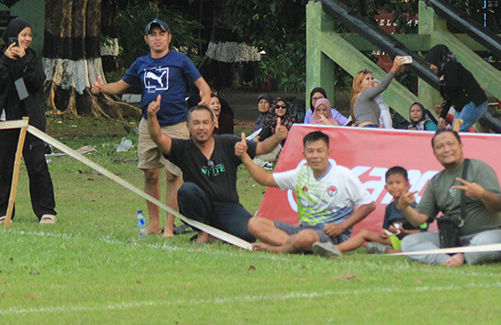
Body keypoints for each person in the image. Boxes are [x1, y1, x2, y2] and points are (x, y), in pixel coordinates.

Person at [92, 18, 211, 237]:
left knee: (173, 176)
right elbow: (121, 85)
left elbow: (201, 83)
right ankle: (154, 224)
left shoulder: (180, 60)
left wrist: (206, 94)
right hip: (148, 124)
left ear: (169, 37)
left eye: (161, 34)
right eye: (153, 34)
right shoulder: (141, 63)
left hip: (176, 124)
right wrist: (102, 88)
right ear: (146, 39)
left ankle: (169, 226)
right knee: (150, 175)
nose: (157, 38)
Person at [146, 99, 284, 243]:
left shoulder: (228, 143)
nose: (201, 127)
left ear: (214, 124)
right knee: (186, 190)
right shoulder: (183, 148)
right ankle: (202, 231)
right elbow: (158, 138)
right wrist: (151, 116)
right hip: (199, 206)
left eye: (205, 123)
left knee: (249, 234)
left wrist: (277, 137)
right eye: (196, 123)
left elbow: (262, 148)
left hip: (228, 207)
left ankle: (216, 234)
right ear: (188, 126)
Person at [237, 130, 376, 257]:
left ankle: (279, 249)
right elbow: (265, 179)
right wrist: (244, 156)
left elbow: (369, 205)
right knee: (254, 223)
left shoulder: (343, 175)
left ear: (329, 153)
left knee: (306, 237)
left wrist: (342, 226)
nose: (315, 156)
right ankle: (297, 246)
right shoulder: (301, 174)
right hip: (303, 230)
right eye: (310, 151)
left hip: (331, 236)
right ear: (304, 154)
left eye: (319, 151)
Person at [396, 130, 501, 266]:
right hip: (454, 238)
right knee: (409, 242)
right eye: (440, 147)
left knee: (481, 244)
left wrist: (481, 194)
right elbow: (419, 219)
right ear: (434, 153)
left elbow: (497, 205)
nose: (446, 149)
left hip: (492, 234)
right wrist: (405, 208)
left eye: (450, 144)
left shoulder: (479, 168)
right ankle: (446, 260)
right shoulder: (436, 182)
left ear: (461, 146)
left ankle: (462, 255)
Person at [0, 17, 57, 224]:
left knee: (37, 164)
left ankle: (46, 211)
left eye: (29, 35)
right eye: (23, 35)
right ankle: (3, 211)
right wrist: (7, 61)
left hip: (30, 119)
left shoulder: (32, 58)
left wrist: (22, 60)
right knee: (3, 164)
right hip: (7, 118)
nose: (27, 39)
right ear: (12, 37)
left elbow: (35, 83)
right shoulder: (2, 59)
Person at [425, 44, 488, 132]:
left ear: (438, 60)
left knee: (459, 130)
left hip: (474, 102)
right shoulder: (443, 72)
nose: (431, 67)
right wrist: (442, 116)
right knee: (455, 132)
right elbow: (448, 97)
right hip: (462, 105)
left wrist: (442, 82)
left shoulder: (451, 67)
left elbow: (452, 85)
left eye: (432, 63)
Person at [350, 56, 411, 128]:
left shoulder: (361, 97)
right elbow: (382, 87)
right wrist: (393, 70)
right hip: (368, 128)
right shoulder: (364, 94)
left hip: (370, 128)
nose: (371, 81)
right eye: (367, 79)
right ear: (360, 84)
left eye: (372, 78)